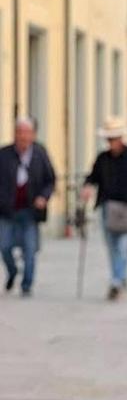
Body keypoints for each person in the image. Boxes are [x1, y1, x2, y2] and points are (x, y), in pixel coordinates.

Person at [81, 117, 127, 300]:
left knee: (124, 247)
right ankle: (119, 277)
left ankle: (116, 282)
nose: (111, 143)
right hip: (108, 208)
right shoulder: (102, 158)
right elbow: (92, 177)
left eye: (114, 138)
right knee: (112, 248)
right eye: (108, 139)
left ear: (121, 138)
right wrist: (87, 187)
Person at [0, 117, 56, 297]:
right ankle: (13, 271)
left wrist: (43, 197)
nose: (23, 137)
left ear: (33, 135)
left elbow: (50, 180)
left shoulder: (40, 154)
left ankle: (27, 284)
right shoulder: (4, 154)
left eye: (26, 133)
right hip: (7, 210)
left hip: (30, 210)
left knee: (30, 248)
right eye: (19, 132)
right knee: (4, 246)